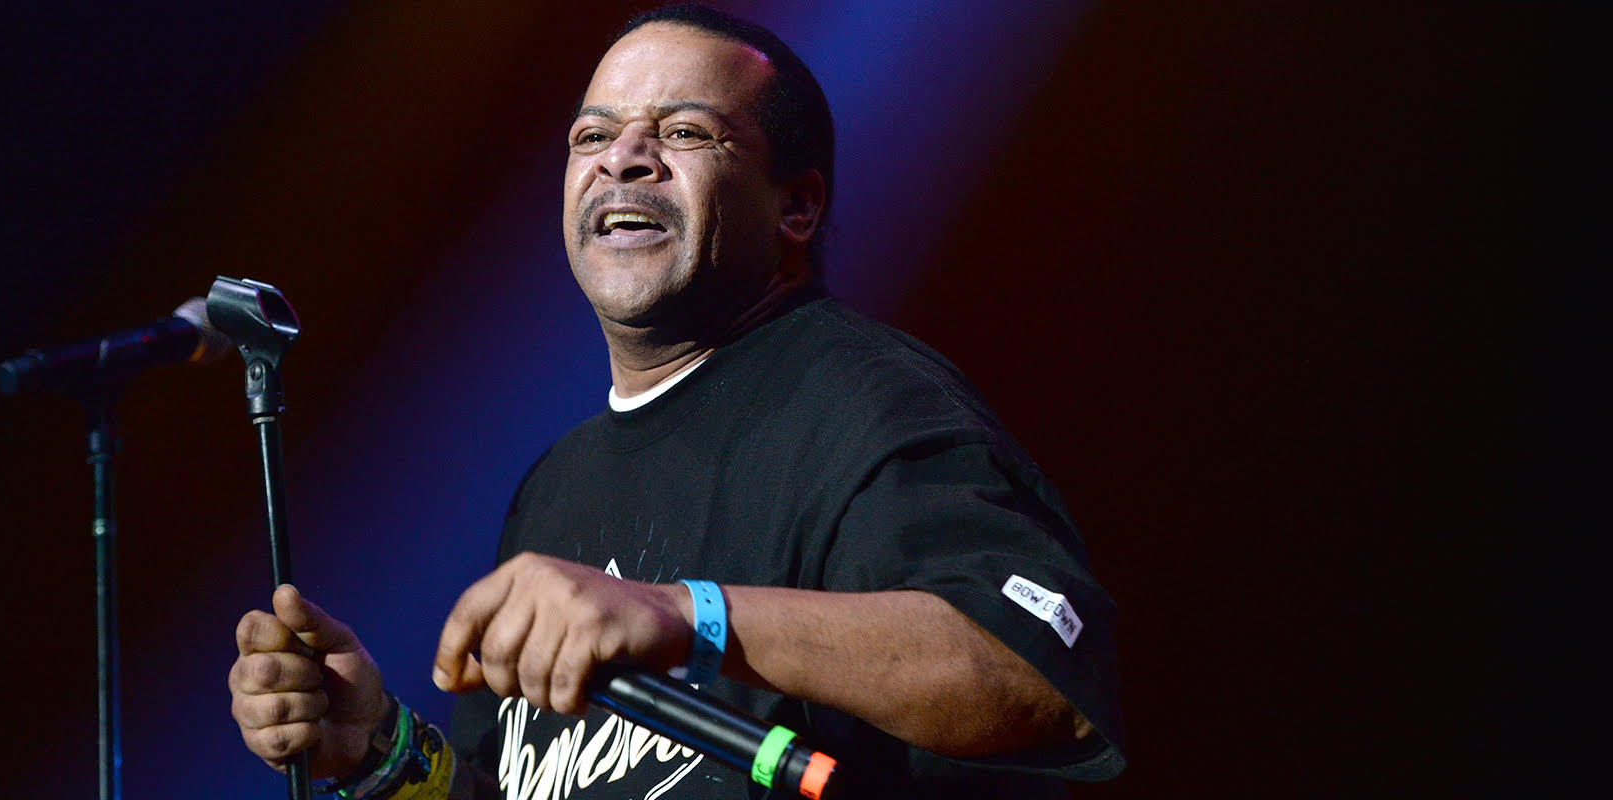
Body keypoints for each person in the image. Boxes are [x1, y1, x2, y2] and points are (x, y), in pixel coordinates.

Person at [228, 6, 1125, 798]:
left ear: (798, 207)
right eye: (591, 135)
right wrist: (379, 752)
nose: (623, 158)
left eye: (686, 131)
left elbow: (1038, 678)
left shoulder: (872, 405)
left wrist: (682, 616)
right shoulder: (556, 486)